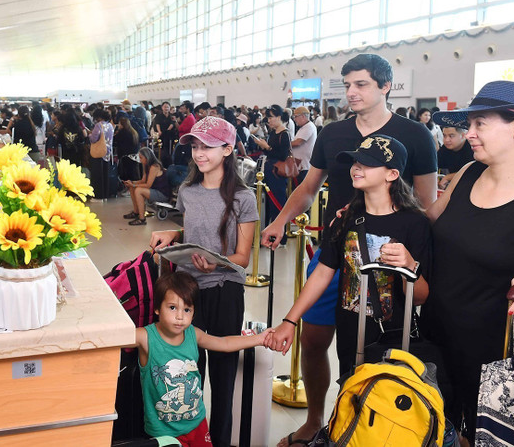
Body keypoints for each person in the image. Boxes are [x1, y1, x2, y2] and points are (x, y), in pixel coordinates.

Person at [262, 54, 437, 447]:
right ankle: (316, 420)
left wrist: (415, 255)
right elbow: (308, 188)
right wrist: (280, 220)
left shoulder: (415, 135)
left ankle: (374, 427)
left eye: (360, 84)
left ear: (385, 86)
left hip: (388, 257)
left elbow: (426, 202)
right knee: (316, 340)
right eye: (347, 85)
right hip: (336, 248)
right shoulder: (333, 133)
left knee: (382, 346)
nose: (351, 93)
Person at [421, 81, 514, 444]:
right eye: (469, 124)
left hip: (498, 364)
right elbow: (427, 222)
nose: (468, 134)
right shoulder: (467, 175)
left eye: (480, 124)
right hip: (436, 342)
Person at [270, 135, 430, 383]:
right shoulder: (346, 218)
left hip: (394, 338)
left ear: (392, 174)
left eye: (367, 163)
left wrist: (408, 265)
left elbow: (419, 296)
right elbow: (323, 273)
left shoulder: (415, 223)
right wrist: (290, 321)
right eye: (356, 161)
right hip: (349, 335)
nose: (357, 168)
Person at [150, 116, 258, 447]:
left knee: (223, 377)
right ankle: (191, 439)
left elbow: (243, 257)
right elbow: (194, 232)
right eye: (195, 147)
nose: (199, 154)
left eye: (207, 147)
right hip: (188, 292)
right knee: (186, 375)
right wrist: (173, 234)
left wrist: (215, 263)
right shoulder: (187, 192)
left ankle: (221, 440)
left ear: (227, 149)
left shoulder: (243, 197)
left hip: (225, 292)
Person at [135, 272, 272, 446]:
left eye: (187, 309)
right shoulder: (145, 337)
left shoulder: (194, 334)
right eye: (172, 308)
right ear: (157, 308)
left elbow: (225, 342)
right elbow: (113, 336)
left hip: (197, 424)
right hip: (163, 432)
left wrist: (259, 339)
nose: (180, 316)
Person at [253, 104, 292, 245]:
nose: (268, 120)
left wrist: (267, 147)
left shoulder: (284, 134)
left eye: (271, 117)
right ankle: (270, 233)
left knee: (278, 203)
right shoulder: (274, 133)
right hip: (270, 171)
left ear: (279, 117)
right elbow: (270, 152)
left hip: (278, 173)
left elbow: (282, 155)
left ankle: (281, 237)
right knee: (270, 204)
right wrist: (264, 146)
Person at [123, 147, 170, 225]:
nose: (140, 160)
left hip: (162, 193)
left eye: (141, 158)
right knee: (132, 188)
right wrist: (132, 183)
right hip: (154, 190)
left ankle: (142, 219)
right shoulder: (146, 165)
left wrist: (134, 185)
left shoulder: (154, 166)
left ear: (147, 157)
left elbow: (148, 185)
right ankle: (136, 212)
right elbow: (143, 181)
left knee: (138, 190)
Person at [88, 108, 114, 199]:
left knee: (97, 176)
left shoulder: (99, 126)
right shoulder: (110, 125)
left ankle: (98, 197)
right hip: (107, 153)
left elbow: (93, 139)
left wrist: (90, 134)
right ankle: (105, 195)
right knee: (105, 175)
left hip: (98, 153)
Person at [291, 106, 317, 184]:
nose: (294, 119)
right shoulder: (304, 127)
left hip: (304, 165)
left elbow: (298, 142)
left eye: (296, 117)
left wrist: (284, 144)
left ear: (303, 116)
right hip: (299, 165)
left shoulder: (309, 127)